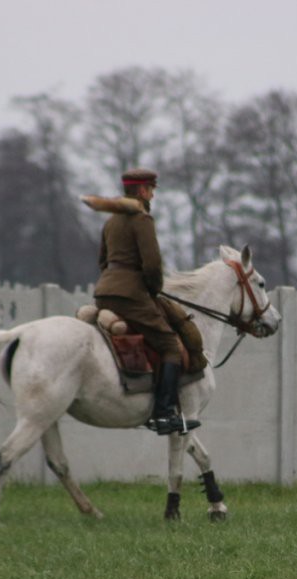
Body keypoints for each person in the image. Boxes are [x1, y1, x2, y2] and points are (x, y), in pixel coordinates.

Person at [93, 167, 200, 436]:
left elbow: (102, 261)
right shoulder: (141, 219)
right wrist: (153, 289)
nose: (152, 194)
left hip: (105, 291)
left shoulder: (111, 220)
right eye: (151, 189)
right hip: (132, 295)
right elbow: (152, 265)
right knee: (170, 345)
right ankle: (164, 414)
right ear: (142, 190)